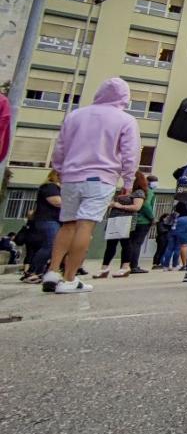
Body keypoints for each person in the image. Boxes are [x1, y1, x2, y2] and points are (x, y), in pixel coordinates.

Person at [41, 78, 139, 294]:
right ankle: (69, 279)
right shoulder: (125, 120)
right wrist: (128, 181)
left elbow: (60, 147)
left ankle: (52, 271)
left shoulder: (75, 115)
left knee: (67, 224)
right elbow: (130, 154)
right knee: (85, 226)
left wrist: (60, 170)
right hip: (100, 178)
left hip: (71, 177)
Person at [94, 173, 150, 278]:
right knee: (111, 244)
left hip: (126, 220)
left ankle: (125, 267)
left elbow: (137, 207)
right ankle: (104, 268)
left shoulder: (138, 192)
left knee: (126, 243)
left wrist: (119, 206)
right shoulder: (123, 190)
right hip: (114, 219)